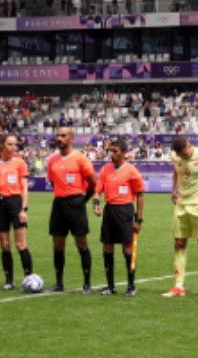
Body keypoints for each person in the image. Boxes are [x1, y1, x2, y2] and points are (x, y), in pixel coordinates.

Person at [165, 135, 198, 298]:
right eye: (180, 155)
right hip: (181, 205)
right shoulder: (175, 156)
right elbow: (176, 170)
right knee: (179, 243)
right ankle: (179, 286)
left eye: (185, 153)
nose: (183, 157)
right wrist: (174, 189)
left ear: (189, 146)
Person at [92, 138, 146, 296]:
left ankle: (131, 286)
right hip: (109, 211)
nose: (112, 154)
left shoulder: (132, 171)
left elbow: (140, 196)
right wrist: (96, 204)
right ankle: (110, 286)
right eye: (110, 151)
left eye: (115, 151)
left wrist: (139, 219)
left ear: (123, 152)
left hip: (125, 210)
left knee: (127, 248)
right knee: (107, 246)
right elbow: (98, 190)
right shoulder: (105, 169)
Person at [46, 126, 97, 293]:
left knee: (82, 244)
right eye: (58, 135)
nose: (59, 138)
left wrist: (83, 200)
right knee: (57, 245)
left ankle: (87, 284)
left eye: (63, 135)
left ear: (71, 138)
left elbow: (93, 183)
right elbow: (53, 182)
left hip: (76, 203)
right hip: (59, 203)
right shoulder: (52, 160)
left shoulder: (81, 159)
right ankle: (59, 283)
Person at [0, 134, 34, 290]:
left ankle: (29, 279)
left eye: (15, 144)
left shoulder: (20, 163)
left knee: (21, 244)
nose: (13, 147)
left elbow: (25, 188)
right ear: (2, 145)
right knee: (5, 246)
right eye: (10, 144)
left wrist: (23, 209)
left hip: (15, 203)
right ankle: (9, 281)